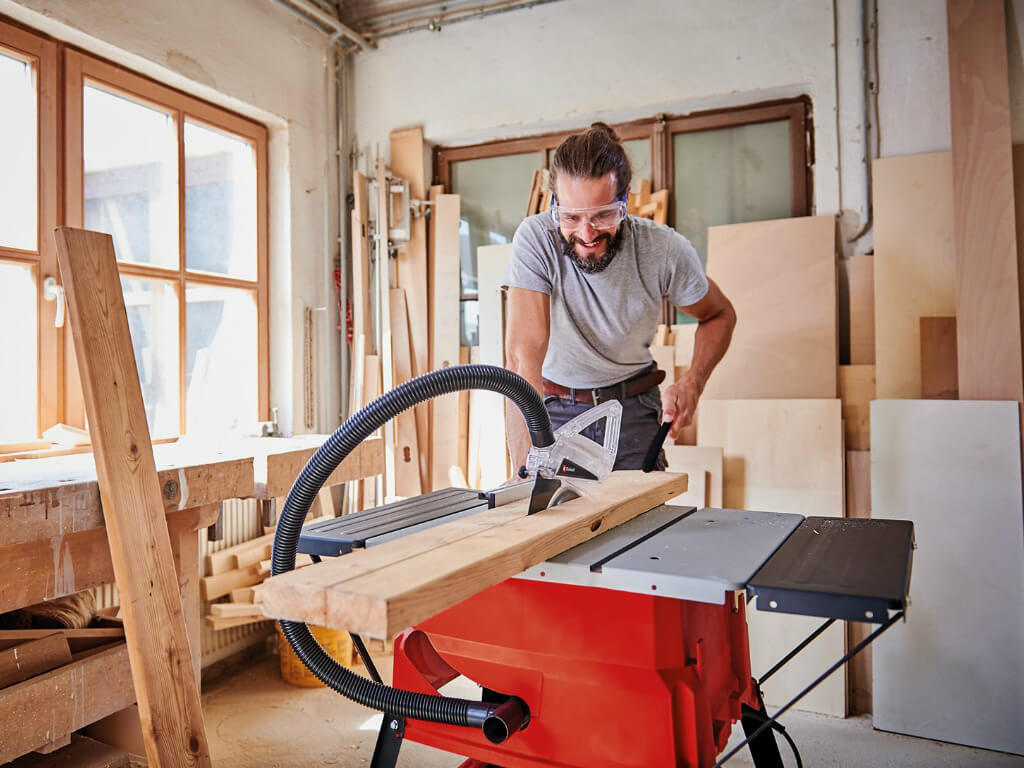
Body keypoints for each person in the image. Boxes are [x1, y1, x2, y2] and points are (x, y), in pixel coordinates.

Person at [503, 122, 736, 471]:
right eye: (571, 217)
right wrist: (524, 467)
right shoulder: (537, 240)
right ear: (554, 205)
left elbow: (718, 315)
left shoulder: (662, 249)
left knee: (644, 522)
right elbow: (524, 362)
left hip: (633, 410)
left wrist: (693, 383)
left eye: (603, 215)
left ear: (625, 199)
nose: (586, 234)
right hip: (554, 412)